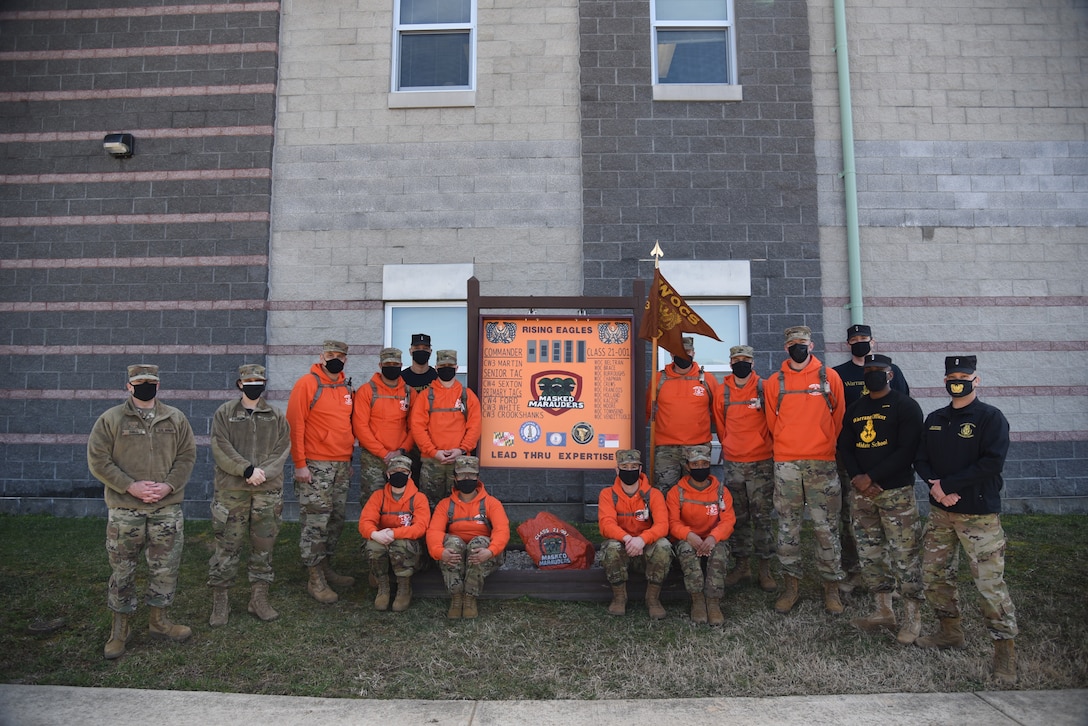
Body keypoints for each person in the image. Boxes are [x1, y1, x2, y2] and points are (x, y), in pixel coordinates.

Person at [914, 355, 1018, 685]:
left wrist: (950, 485)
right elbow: (920, 457)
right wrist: (937, 487)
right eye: (952, 376)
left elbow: (992, 462)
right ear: (944, 381)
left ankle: (1005, 652)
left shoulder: (990, 418)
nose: (957, 380)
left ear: (977, 379)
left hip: (979, 516)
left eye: (963, 375)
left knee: (989, 587)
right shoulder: (935, 418)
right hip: (942, 513)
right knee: (934, 576)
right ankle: (950, 632)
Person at [87, 364, 196, 659]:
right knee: (122, 570)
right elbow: (98, 459)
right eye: (139, 382)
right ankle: (119, 629)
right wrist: (130, 486)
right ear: (128, 386)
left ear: (158, 386)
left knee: (165, 567)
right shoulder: (111, 419)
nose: (145, 385)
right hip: (126, 509)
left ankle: (159, 622)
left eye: (151, 381)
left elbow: (187, 456)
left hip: (166, 508)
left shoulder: (175, 418)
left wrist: (169, 486)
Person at [836, 354, 925, 644]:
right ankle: (883, 610)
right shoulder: (856, 408)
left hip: (895, 492)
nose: (873, 373)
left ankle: (913, 617)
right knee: (870, 552)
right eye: (869, 370)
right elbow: (845, 446)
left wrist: (872, 477)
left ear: (890, 374)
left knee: (905, 554)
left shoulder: (906, 406)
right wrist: (859, 477)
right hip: (862, 495)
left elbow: (907, 449)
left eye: (879, 370)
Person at [762, 325, 847, 614]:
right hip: (786, 464)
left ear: (811, 346)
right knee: (788, 527)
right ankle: (791, 585)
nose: (799, 347)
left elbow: (839, 416)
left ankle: (832, 587)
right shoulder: (774, 382)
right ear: (786, 348)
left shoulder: (830, 377)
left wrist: (822, 445)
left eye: (803, 343)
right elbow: (771, 423)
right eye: (793, 343)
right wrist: (788, 446)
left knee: (826, 528)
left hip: (821, 463)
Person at [207, 364, 292, 626]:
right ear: (240, 384)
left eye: (260, 380)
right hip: (233, 491)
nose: (255, 384)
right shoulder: (224, 413)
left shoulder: (276, 415)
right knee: (227, 546)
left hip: (267, 490)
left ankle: (258, 598)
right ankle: (221, 600)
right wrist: (245, 469)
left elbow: (282, 448)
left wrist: (262, 472)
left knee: (263, 546)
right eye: (250, 380)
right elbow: (221, 446)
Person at [833, 324, 911, 591]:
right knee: (853, 520)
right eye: (854, 339)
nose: (859, 343)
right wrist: (858, 474)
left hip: (889, 464)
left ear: (873, 342)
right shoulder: (838, 374)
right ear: (847, 344)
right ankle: (855, 571)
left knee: (893, 526)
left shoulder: (894, 374)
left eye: (863, 339)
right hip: (855, 462)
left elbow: (904, 418)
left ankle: (895, 578)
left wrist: (876, 474)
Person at [286, 339, 357, 604]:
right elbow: (295, 423)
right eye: (330, 354)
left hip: (340, 464)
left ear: (346, 359)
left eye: (340, 355)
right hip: (315, 465)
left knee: (336, 519)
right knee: (315, 521)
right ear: (321, 356)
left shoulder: (346, 386)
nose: (335, 359)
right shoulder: (307, 383)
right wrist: (300, 463)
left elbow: (346, 425)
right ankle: (314, 576)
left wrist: (348, 460)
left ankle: (326, 565)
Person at [712, 344, 776, 592]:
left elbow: (772, 420)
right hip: (734, 464)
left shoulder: (765, 388)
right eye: (737, 359)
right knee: (738, 517)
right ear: (730, 364)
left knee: (762, 518)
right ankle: (742, 565)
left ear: (753, 362)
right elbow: (719, 424)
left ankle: (764, 569)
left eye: (746, 359)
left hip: (761, 462)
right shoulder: (721, 391)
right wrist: (730, 445)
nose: (741, 363)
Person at [426, 456, 509, 619]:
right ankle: (456, 597)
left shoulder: (491, 503)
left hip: (481, 551)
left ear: (477, 477)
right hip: (456, 550)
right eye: (462, 475)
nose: (467, 479)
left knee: (478, 543)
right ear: (455, 477)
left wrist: (491, 551)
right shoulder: (445, 505)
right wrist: (439, 552)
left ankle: (469, 598)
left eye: (471, 475)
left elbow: (502, 530)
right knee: (451, 543)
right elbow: (434, 531)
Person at [597, 449, 673, 619]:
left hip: (645, 551)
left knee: (663, 546)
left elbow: (663, 525)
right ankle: (619, 597)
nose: (629, 470)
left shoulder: (654, 494)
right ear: (617, 470)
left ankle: (652, 599)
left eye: (633, 467)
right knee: (611, 546)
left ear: (640, 470)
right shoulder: (607, 494)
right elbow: (606, 525)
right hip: (623, 550)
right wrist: (628, 539)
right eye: (625, 466)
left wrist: (642, 539)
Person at [666, 444, 736, 626]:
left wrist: (713, 537)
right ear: (687, 466)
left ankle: (713, 602)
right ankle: (697, 600)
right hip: (689, 539)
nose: (699, 468)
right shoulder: (676, 492)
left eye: (704, 464)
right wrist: (689, 536)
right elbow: (673, 523)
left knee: (720, 552)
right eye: (695, 464)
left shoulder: (721, 491)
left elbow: (728, 521)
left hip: (713, 538)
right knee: (687, 551)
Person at [409, 349, 482, 508]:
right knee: (429, 506)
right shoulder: (426, 396)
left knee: (458, 506)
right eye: (443, 366)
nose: (446, 369)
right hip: (431, 461)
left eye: (450, 366)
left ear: (456, 368)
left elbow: (474, 426)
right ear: (436, 368)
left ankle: (456, 533)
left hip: (460, 462)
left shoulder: (467, 395)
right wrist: (433, 452)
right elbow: (417, 427)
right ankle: (430, 534)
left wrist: (461, 450)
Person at [358, 455, 431, 612]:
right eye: (395, 471)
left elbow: (420, 527)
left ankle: (404, 587)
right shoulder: (378, 496)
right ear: (388, 474)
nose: (399, 474)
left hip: (406, 547)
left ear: (410, 474)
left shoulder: (418, 498)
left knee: (400, 544)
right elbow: (365, 523)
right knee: (372, 544)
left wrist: (393, 533)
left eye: (403, 471)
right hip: (383, 541)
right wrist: (375, 534)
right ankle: (382, 586)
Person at [647, 336, 718, 494]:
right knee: (664, 492)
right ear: (672, 355)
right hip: (666, 449)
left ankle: (695, 519)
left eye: (687, 351)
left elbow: (718, 413)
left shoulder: (707, 380)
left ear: (693, 353)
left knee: (696, 492)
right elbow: (647, 410)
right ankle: (665, 520)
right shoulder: (659, 379)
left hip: (698, 447)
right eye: (679, 352)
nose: (684, 355)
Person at [353, 347, 415, 501]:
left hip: (401, 457)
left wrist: (401, 450)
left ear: (401, 365)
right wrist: (383, 453)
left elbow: (415, 426)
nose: (392, 368)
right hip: (373, 458)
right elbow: (360, 426)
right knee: (372, 500)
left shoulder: (410, 392)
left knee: (400, 501)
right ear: (380, 366)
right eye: (388, 364)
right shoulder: (366, 391)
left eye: (395, 364)